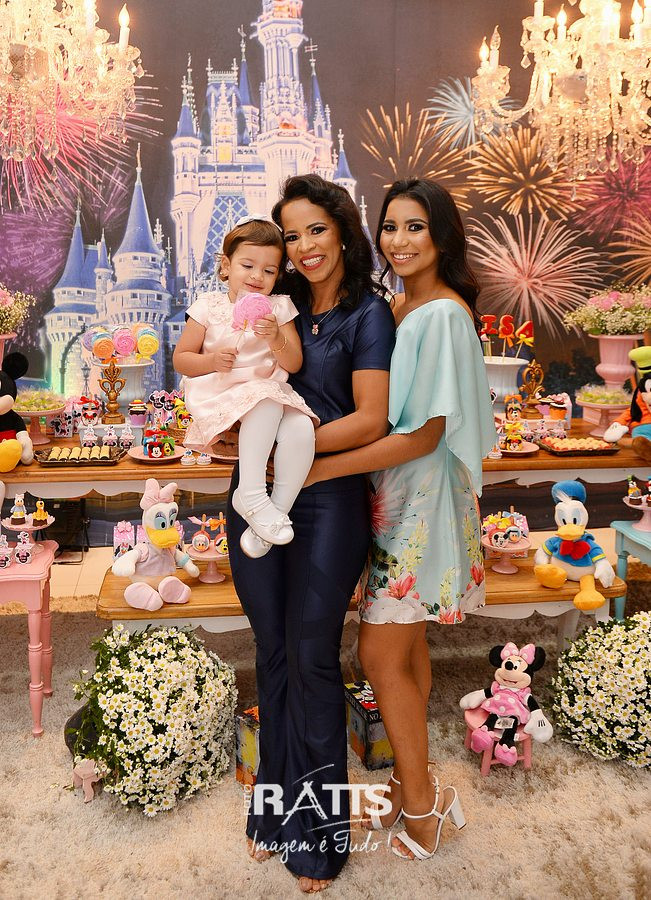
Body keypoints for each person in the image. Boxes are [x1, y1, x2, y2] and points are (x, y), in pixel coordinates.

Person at [306, 178, 496, 862]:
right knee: (407, 650)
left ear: (441, 235)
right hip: (397, 497)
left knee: (378, 655)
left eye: (415, 227)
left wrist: (319, 467)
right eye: (390, 226)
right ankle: (410, 784)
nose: (399, 240)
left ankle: (419, 809)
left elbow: (423, 435)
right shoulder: (400, 304)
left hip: (420, 502)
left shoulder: (438, 314)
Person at [226, 175, 395, 892]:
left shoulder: (368, 313)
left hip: (326, 503)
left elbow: (372, 419)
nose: (302, 246)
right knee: (271, 652)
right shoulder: (275, 302)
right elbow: (225, 375)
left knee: (312, 656)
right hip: (254, 495)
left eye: (315, 230)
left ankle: (319, 833)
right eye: (291, 235)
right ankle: (273, 811)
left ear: (343, 230)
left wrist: (291, 454)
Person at [173, 218, 318, 556]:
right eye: (247, 266)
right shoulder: (208, 306)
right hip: (222, 391)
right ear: (226, 266)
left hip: (270, 393)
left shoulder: (278, 308)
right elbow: (182, 359)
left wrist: (276, 337)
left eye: (269, 271)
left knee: (302, 429)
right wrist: (211, 361)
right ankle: (251, 492)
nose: (257, 277)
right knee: (264, 398)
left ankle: (272, 518)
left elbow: (294, 363)